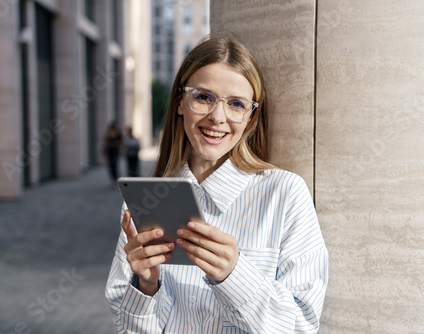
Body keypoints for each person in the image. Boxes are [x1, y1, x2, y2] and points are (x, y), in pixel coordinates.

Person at [106, 35, 328, 333]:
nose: (217, 117)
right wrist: (145, 285)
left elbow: (302, 326)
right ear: (180, 103)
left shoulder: (285, 193)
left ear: (250, 118)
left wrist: (233, 275)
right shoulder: (146, 199)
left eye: (236, 104)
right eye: (203, 97)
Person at [103, 121, 123, 187]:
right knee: (111, 165)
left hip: (115, 150)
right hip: (110, 151)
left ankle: (116, 178)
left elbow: (121, 142)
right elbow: (105, 142)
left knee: (115, 165)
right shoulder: (108, 133)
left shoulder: (118, 133)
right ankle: (113, 179)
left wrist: (114, 143)